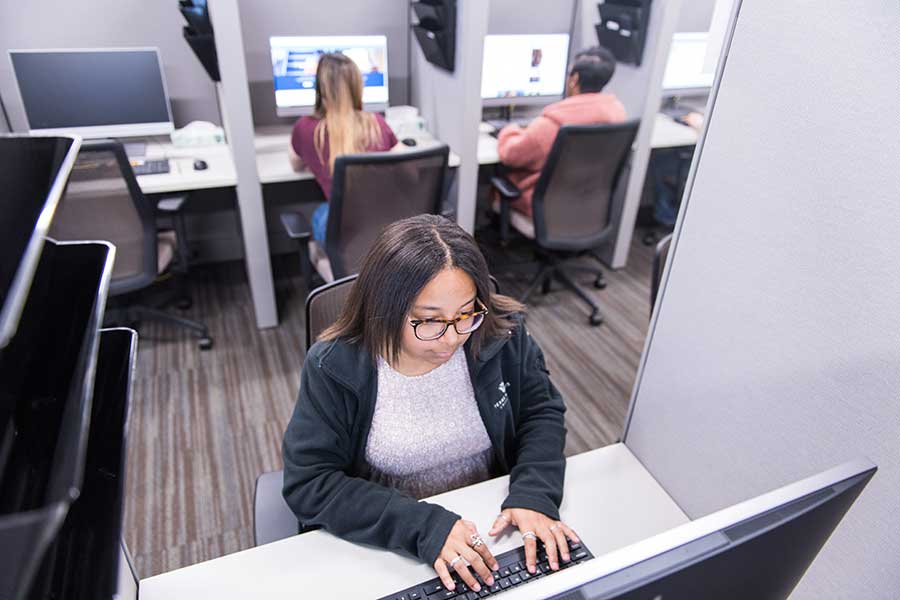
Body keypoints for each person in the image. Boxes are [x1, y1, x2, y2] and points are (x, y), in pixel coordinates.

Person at [282, 214, 579, 594]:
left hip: (490, 522)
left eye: (465, 314)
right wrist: (422, 526)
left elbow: (540, 412)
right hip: (391, 542)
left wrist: (536, 492)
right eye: (429, 321)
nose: (450, 339)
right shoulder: (336, 366)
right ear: (386, 308)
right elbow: (311, 482)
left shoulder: (500, 333)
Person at [496, 46, 627, 217]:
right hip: (589, 204)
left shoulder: (550, 124)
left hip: (543, 208)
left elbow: (510, 155)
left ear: (575, 79)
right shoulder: (618, 114)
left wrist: (509, 129)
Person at [288, 53, 398, 242]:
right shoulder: (376, 123)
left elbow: (296, 164)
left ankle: (328, 265)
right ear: (357, 86)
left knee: (321, 214)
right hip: (383, 224)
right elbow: (402, 157)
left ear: (321, 89)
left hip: (344, 231)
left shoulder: (306, 129)